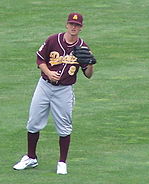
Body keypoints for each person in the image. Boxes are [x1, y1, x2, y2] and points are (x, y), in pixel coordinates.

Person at [13, 12, 96, 174]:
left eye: (77, 25)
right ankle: (31, 157)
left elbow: (88, 74)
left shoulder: (83, 48)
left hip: (64, 90)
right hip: (44, 86)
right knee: (33, 122)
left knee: (64, 127)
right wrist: (49, 73)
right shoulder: (53, 40)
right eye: (71, 24)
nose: (74, 27)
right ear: (66, 24)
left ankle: (62, 162)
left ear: (81, 28)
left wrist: (91, 64)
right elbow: (40, 59)